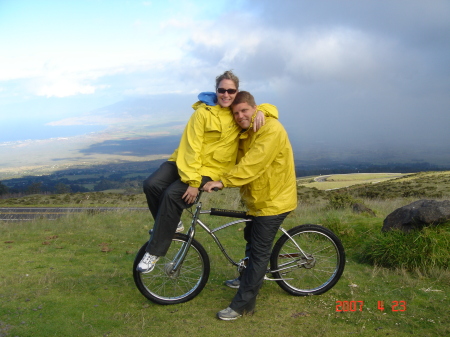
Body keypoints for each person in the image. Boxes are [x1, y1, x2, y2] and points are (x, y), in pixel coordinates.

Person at [137, 72, 279, 273]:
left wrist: (266, 110)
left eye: (231, 91)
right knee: (151, 185)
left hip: (213, 169)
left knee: (172, 195)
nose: (226, 95)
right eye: (222, 90)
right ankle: (173, 224)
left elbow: (256, 107)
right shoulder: (202, 113)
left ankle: (155, 251)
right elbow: (191, 148)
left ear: (236, 92)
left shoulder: (237, 112)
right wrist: (193, 182)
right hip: (185, 161)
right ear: (216, 91)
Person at [203, 91, 297, 321]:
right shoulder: (247, 131)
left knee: (258, 254)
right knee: (249, 236)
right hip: (258, 200)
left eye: (244, 110)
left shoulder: (271, 129)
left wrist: (223, 182)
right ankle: (246, 277)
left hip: (274, 201)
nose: (239, 116)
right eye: (236, 113)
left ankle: (243, 305)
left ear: (255, 108)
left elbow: (253, 164)